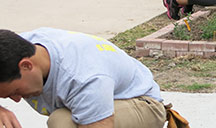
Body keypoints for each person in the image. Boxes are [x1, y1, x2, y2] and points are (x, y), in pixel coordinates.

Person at [0, 28, 167, 128]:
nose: (15, 100)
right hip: (96, 96)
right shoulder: (19, 45)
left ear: (27, 66)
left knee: (62, 122)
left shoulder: (84, 78)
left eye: (15, 91)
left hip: (140, 103)